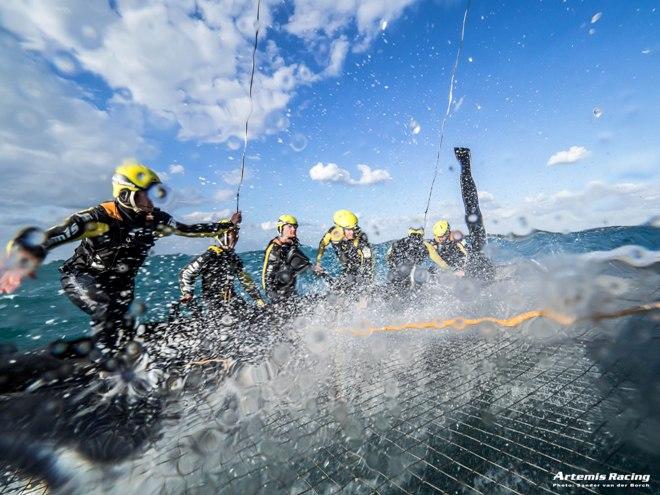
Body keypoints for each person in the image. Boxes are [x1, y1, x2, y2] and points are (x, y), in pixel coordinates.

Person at [0, 160, 241, 352]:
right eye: (146, 195)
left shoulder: (156, 220)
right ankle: (106, 367)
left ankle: (120, 355)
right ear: (126, 195)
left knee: (122, 325)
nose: (152, 201)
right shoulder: (101, 217)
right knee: (106, 309)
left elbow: (186, 230)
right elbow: (54, 235)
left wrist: (224, 225)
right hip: (82, 276)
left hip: (122, 283)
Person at [425, 148, 494, 280]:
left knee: (472, 212)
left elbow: (470, 255)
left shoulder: (459, 241)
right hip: (458, 271)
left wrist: (465, 270)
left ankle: (465, 162)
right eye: (437, 237)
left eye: (443, 236)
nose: (440, 239)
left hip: (476, 259)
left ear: (448, 232)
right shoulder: (434, 244)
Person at [179, 220, 265, 315]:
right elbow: (186, 272)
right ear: (223, 236)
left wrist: (258, 299)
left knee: (258, 315)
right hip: (214, 303)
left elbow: (246, 280)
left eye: (237, 234)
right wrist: (187, 293)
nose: (236, 237)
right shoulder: (210, 255)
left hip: (232, 299)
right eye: (233, 233)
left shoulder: (234, 258)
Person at [314, 209, 374, 290]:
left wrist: (368, 281)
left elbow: (368, 260)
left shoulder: (361, 238)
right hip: (346, 265)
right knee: (340, 286)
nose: (352, 232)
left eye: (354, 228)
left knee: (357, 282)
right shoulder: (332, 233)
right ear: (339, 229)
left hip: (359, 265)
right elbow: (322, 245)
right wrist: (318, 263)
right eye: (348, 229)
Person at [261, 214, 312, 304]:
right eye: (289, 226)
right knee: (286, 274)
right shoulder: (274, 248)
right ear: (281, 228)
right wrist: (274, 297)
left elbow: (304, 264)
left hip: (291, 293)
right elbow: (265, 278)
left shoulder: (291, 245)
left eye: (295, 227)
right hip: (278, 296)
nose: (293, 229)